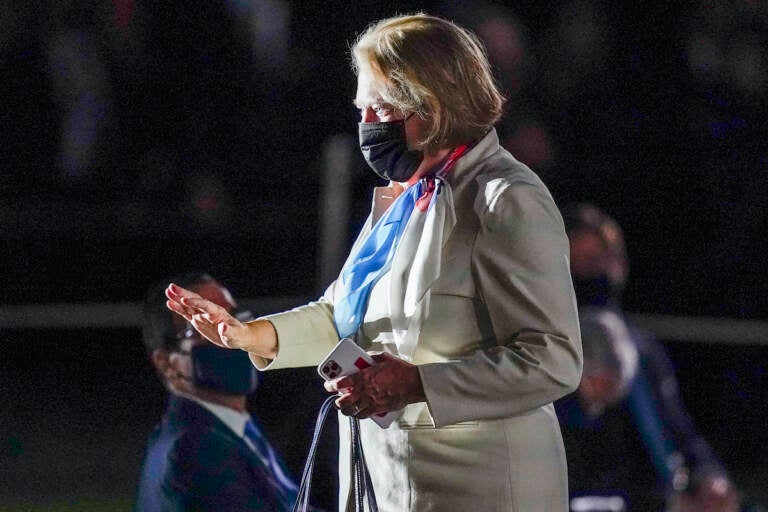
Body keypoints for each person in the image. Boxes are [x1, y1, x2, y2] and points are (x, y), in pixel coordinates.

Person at [165, 14, 582, 512]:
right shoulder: (404, 197)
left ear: (434, 105)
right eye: (362, 108)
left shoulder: (505, 198)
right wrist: (249, 335)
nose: (367, 126)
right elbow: (345, 316)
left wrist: (418, 383)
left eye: (382, 108)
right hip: (385, 484)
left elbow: (554, 358)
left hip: (483, 488)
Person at [556, 203, 742, 512]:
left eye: (609, 258)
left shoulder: (642, 348)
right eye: (588, 262)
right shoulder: (548, 349)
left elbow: (678, 428)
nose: (603, 271)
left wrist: (710, 477)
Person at [135, 272, 301, 511]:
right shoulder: (195, 450)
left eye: (232, 317)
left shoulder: (227, 426)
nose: (228, 335)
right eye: (204, 326)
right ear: (166, 362)